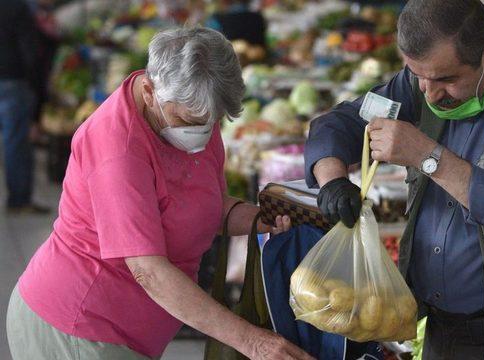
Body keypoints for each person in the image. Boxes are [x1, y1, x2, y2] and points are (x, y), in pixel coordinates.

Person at [7, 27, 313, 360]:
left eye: (211, 122)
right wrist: (252, 342)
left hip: (133, 333)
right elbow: (147, 269)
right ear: (150, 91)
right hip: (79, 328)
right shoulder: (117, 149)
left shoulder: (192, 108)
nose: (200, 132)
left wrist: (262, 218)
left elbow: (203, 207)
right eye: (186, 119)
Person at [305, 0, 484, 359]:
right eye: (417, 76)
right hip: (440, 325)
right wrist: (333, 181)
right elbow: (339, 122)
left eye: (446, 80)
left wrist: (426, 155)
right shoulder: (422, 79)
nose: (430, 93)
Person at [0, 0, 49, 214]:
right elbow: (30, 49)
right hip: (13, 79)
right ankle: (19, 201)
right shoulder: (17, 7)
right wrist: (37, 88)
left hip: (12, 80)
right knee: (16, 141)